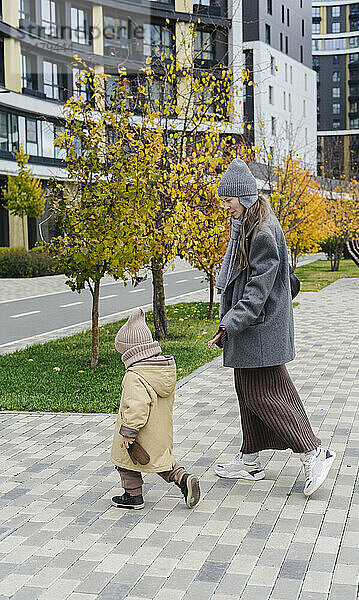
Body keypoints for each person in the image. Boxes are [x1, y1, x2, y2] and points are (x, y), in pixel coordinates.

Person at [208, 158, 335, 497]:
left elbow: (257, 291)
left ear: (244, 197)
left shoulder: (261, 232)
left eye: (228, 199)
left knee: (268, 396)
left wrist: (230, 323)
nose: (225, 205)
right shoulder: (248, 225)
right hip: (255, 330)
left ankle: (313, 453)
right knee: (249, 392)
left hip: (259, 329)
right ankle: (250, 459)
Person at [110, 308, 200, 509]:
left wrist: (128, 432)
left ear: (131, 351)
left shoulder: (135, 376)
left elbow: (136, 407)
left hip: (139, 433)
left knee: (126, 461)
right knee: (162, 461)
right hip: (160, 433)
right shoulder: (160, 370)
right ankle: (183, 478)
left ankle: (133, 496)